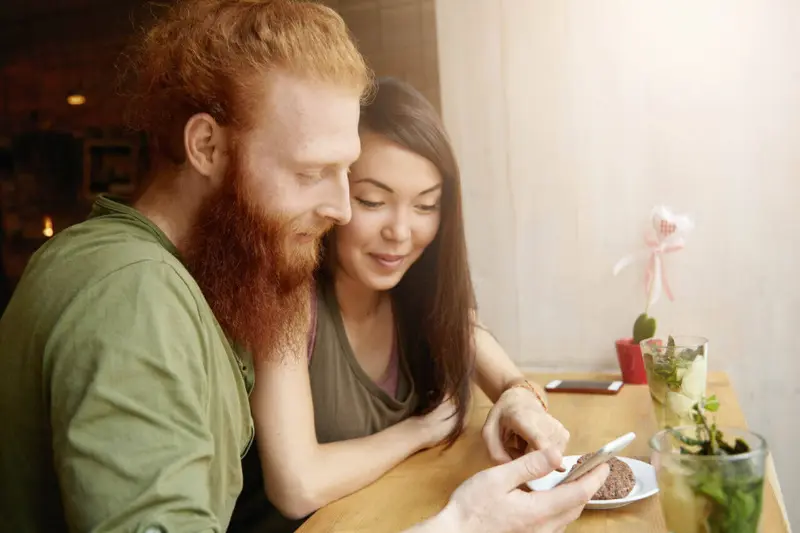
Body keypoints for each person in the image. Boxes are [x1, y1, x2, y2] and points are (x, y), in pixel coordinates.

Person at [0, 1, 608, 532]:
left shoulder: (191, 280)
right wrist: (460, 525)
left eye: (347, 173)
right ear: (206, 146)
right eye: (311, 172)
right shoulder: (133, 297)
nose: (341, 208)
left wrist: (514, 392)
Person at [229, 77, 600, 533]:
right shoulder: (287, 297)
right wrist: (419, 431)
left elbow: (491, 361)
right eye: (373, 201)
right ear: (337, 194)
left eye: (425, 206)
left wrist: (519, 397)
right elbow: (297, 485)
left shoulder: (417, 292)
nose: (401, 233)